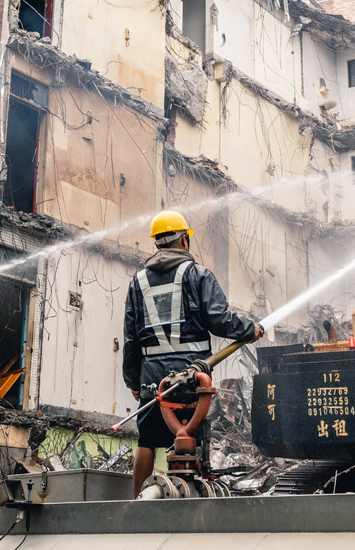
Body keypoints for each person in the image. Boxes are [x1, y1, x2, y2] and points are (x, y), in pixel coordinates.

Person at [123, 210, 264, 497]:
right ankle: (193, 503)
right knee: (194, 440)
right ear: (184, 240)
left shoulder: (138, 283)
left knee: (147, 441)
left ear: (158, 243)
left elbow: (130, 338)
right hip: (192, 378)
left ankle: (137, 503)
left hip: (153, 381)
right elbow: (220, 319)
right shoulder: (199, 275)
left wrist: (133, 381)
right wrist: (250, 331)